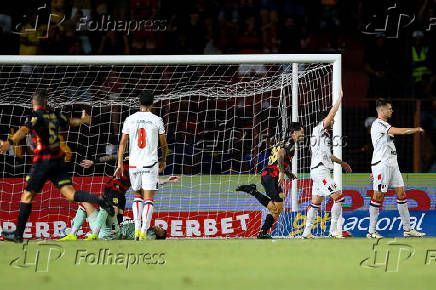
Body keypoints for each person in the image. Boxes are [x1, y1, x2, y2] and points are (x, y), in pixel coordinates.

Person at [0, 89, 113, 243]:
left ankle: (18, 234)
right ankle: (99, 200)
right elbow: (70, 121)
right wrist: (83, 120)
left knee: (27, 195)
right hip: (58, 160)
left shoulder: (35, 116)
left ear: (33, 103)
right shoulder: (55, 115)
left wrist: (9, 143)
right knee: (70, 194)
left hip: (42, 161)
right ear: (47, 102)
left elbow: (25, 129)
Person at [368, 98, 426, 238]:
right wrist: (416, 129)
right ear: (382, 111)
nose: (391, 111)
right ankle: (371, 231)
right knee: (378, 195)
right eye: (389, 109)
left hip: (393, 164)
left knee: (401, 194)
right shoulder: (378, 124)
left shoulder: (385, 125)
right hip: (382, 164)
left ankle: (408, 230)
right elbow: (400, 131)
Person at [115, 91, 168, 241]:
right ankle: (144, 230)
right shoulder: (157, 120)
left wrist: (119, 164)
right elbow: (163, 144)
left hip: (134, 165)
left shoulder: (129, 119)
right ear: (152, 104)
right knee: (149, 199)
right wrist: (163, 159)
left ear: (138, 102)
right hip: (150, 164)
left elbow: (122, 143)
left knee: (137, 196)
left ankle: (137, 229)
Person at [236, 122, 304, 239]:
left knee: (276, 208)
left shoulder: (282, 142)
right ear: (294, 132)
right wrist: (282, 173)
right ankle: (253, 193)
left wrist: (287, 172)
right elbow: (280, 155)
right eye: (301, 132)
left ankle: (262, 231)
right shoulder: (290, 143)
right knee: (277, 207)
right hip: (272, 175)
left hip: (267, 174)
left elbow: (277, 159)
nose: (303, 135)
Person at [59, 175, 179, 240]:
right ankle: (73, 234)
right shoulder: (142, 223)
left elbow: (147, 179)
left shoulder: (147, 233)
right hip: (107, 226)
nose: (159, 227)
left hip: (113, 232)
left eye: (161, 230)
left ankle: (94, 233)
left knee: (109, 207)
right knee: (85, 202)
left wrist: (163, 181)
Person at [302, 89, 352, 239]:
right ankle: (334, 230)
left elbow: (329, 155)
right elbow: (331, 114)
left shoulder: (323, 136)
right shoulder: (319, 129)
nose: (333, 120)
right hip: (320, 172)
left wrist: (342, 163)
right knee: (339, 197)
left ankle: (306, 232)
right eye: (331, 119)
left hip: (318, 171)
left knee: (316, 202)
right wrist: (339, 100)